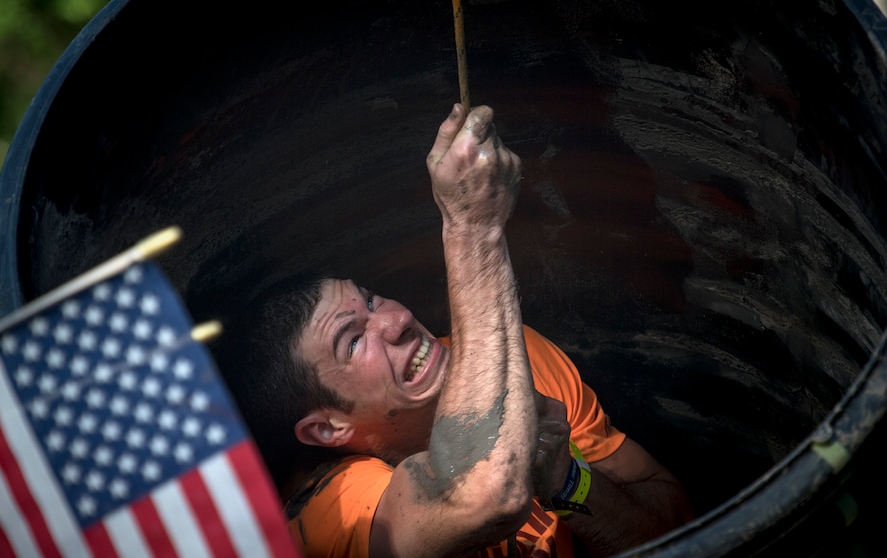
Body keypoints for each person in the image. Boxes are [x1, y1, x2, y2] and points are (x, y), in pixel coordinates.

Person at [217, 104, 693, 558]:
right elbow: (485, 491)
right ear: (328, 427)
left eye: (370, 299)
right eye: (355, 339)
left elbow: (678, 530)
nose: (398, 319)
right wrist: (473, 228)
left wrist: (569, 479)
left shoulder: (516, 358)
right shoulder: (332, 510)